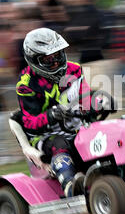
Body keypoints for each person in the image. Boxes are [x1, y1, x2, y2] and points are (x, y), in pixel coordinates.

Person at [10, 28, 106, 197]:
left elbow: (85, 97)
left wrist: (100, 102)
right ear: (34, 60)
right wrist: (52, 115)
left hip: (76, 127)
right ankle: (70, 185)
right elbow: (30, 123)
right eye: (48, 59)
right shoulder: (26, 84)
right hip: (45, 136)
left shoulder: (74, 69)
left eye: (58, 55)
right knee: (60, 143)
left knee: (103, 133)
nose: (55, 62)